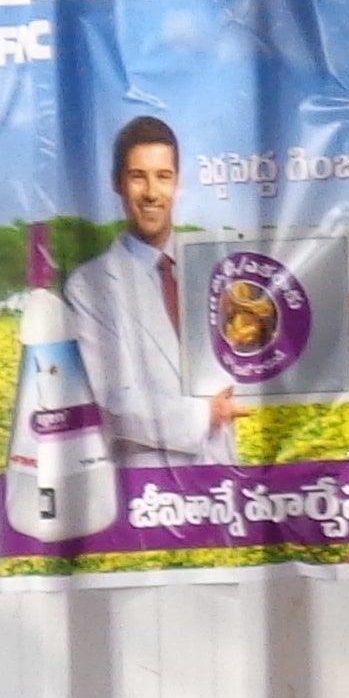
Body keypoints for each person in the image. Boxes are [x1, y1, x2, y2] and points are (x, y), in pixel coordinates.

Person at [66, 111, 237, 461]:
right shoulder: (90, 286)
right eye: (137, 177)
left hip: (222, 477)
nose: (151, 193)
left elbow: (258, 362)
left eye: (163, 176)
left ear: (178, 183)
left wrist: (340, 327)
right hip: (151, 490)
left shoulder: (212, 271)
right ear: (117, 183)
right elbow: (114, 400)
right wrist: (203, 414)